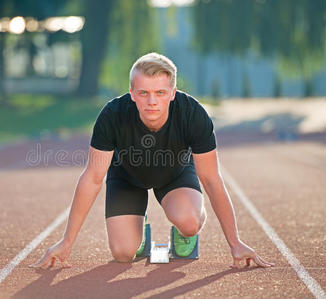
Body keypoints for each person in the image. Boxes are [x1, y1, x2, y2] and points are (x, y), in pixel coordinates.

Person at [30, 52, 274, 269]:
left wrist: (235, 243)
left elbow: (211, 179)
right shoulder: (112, 115)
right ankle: (140, 227)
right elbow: (93, 178)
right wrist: (67, 241)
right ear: (132, 94)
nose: (152, 101)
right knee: (123, 254)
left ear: (172, 93)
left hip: (175, 175)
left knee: (189, 221)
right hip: (126, 177)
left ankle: (184, 234)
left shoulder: (193, 114)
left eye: (160, 93)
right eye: (143, 93)